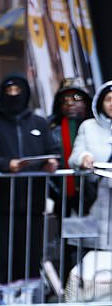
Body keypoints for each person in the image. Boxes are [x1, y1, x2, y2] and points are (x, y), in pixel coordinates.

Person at [0, 75, 60, 286]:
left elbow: (54, 151)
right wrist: (6, 165)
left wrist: (51, 163)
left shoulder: (39, 123)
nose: (13, 96)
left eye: (17, 91)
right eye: (9, 91)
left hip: (31, 205)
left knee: (29, 258)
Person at [68, 79, 112, 249]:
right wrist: (84, 158)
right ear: (101, 102)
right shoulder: (88, 126)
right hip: (94, 201)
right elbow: (75, 156)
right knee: (93, 255)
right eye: (108, 99)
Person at [48, 78, 92, 216]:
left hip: (94, 193)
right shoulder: (50, 130)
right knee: (64, 233)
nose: (70, 103)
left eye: (76, 97)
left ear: (86, 102)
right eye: (64, 99)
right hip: (62, 194)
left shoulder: (96, 127)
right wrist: (54, 190)